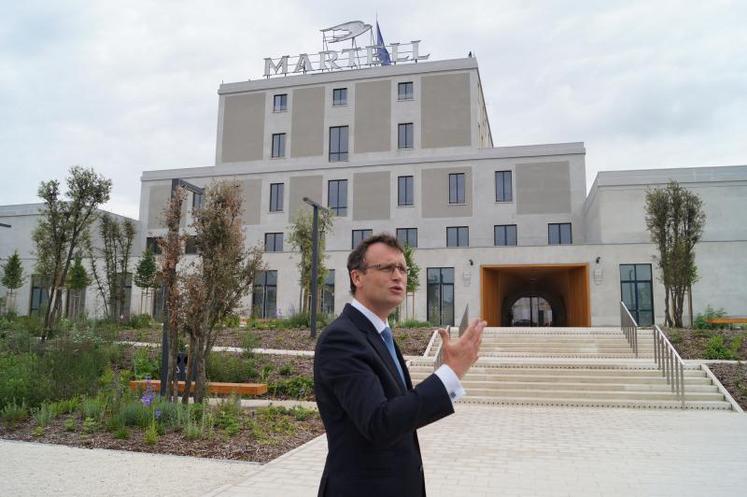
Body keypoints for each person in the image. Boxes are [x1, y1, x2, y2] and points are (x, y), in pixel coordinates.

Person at [314, 233, 486, 497]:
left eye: (403, 269)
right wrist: (450, 373)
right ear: (356, 277)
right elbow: (379, 422)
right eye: (386, 268)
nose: (398, 276)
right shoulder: (342, 338)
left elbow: (396, 411)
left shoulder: (380, 335)